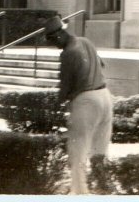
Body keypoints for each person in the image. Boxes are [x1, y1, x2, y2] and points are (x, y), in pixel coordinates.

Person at [43, 14, 113, 194]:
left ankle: (79, 193)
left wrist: (57, 106)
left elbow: (65, 87)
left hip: (86, 101)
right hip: (105, 96)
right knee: (100, 151)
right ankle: (102, 189)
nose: (53, 45)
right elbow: (101, 65)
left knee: (78, 152)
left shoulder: (67, 53)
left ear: (58, 35)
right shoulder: (86, 41)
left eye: (51, 40)